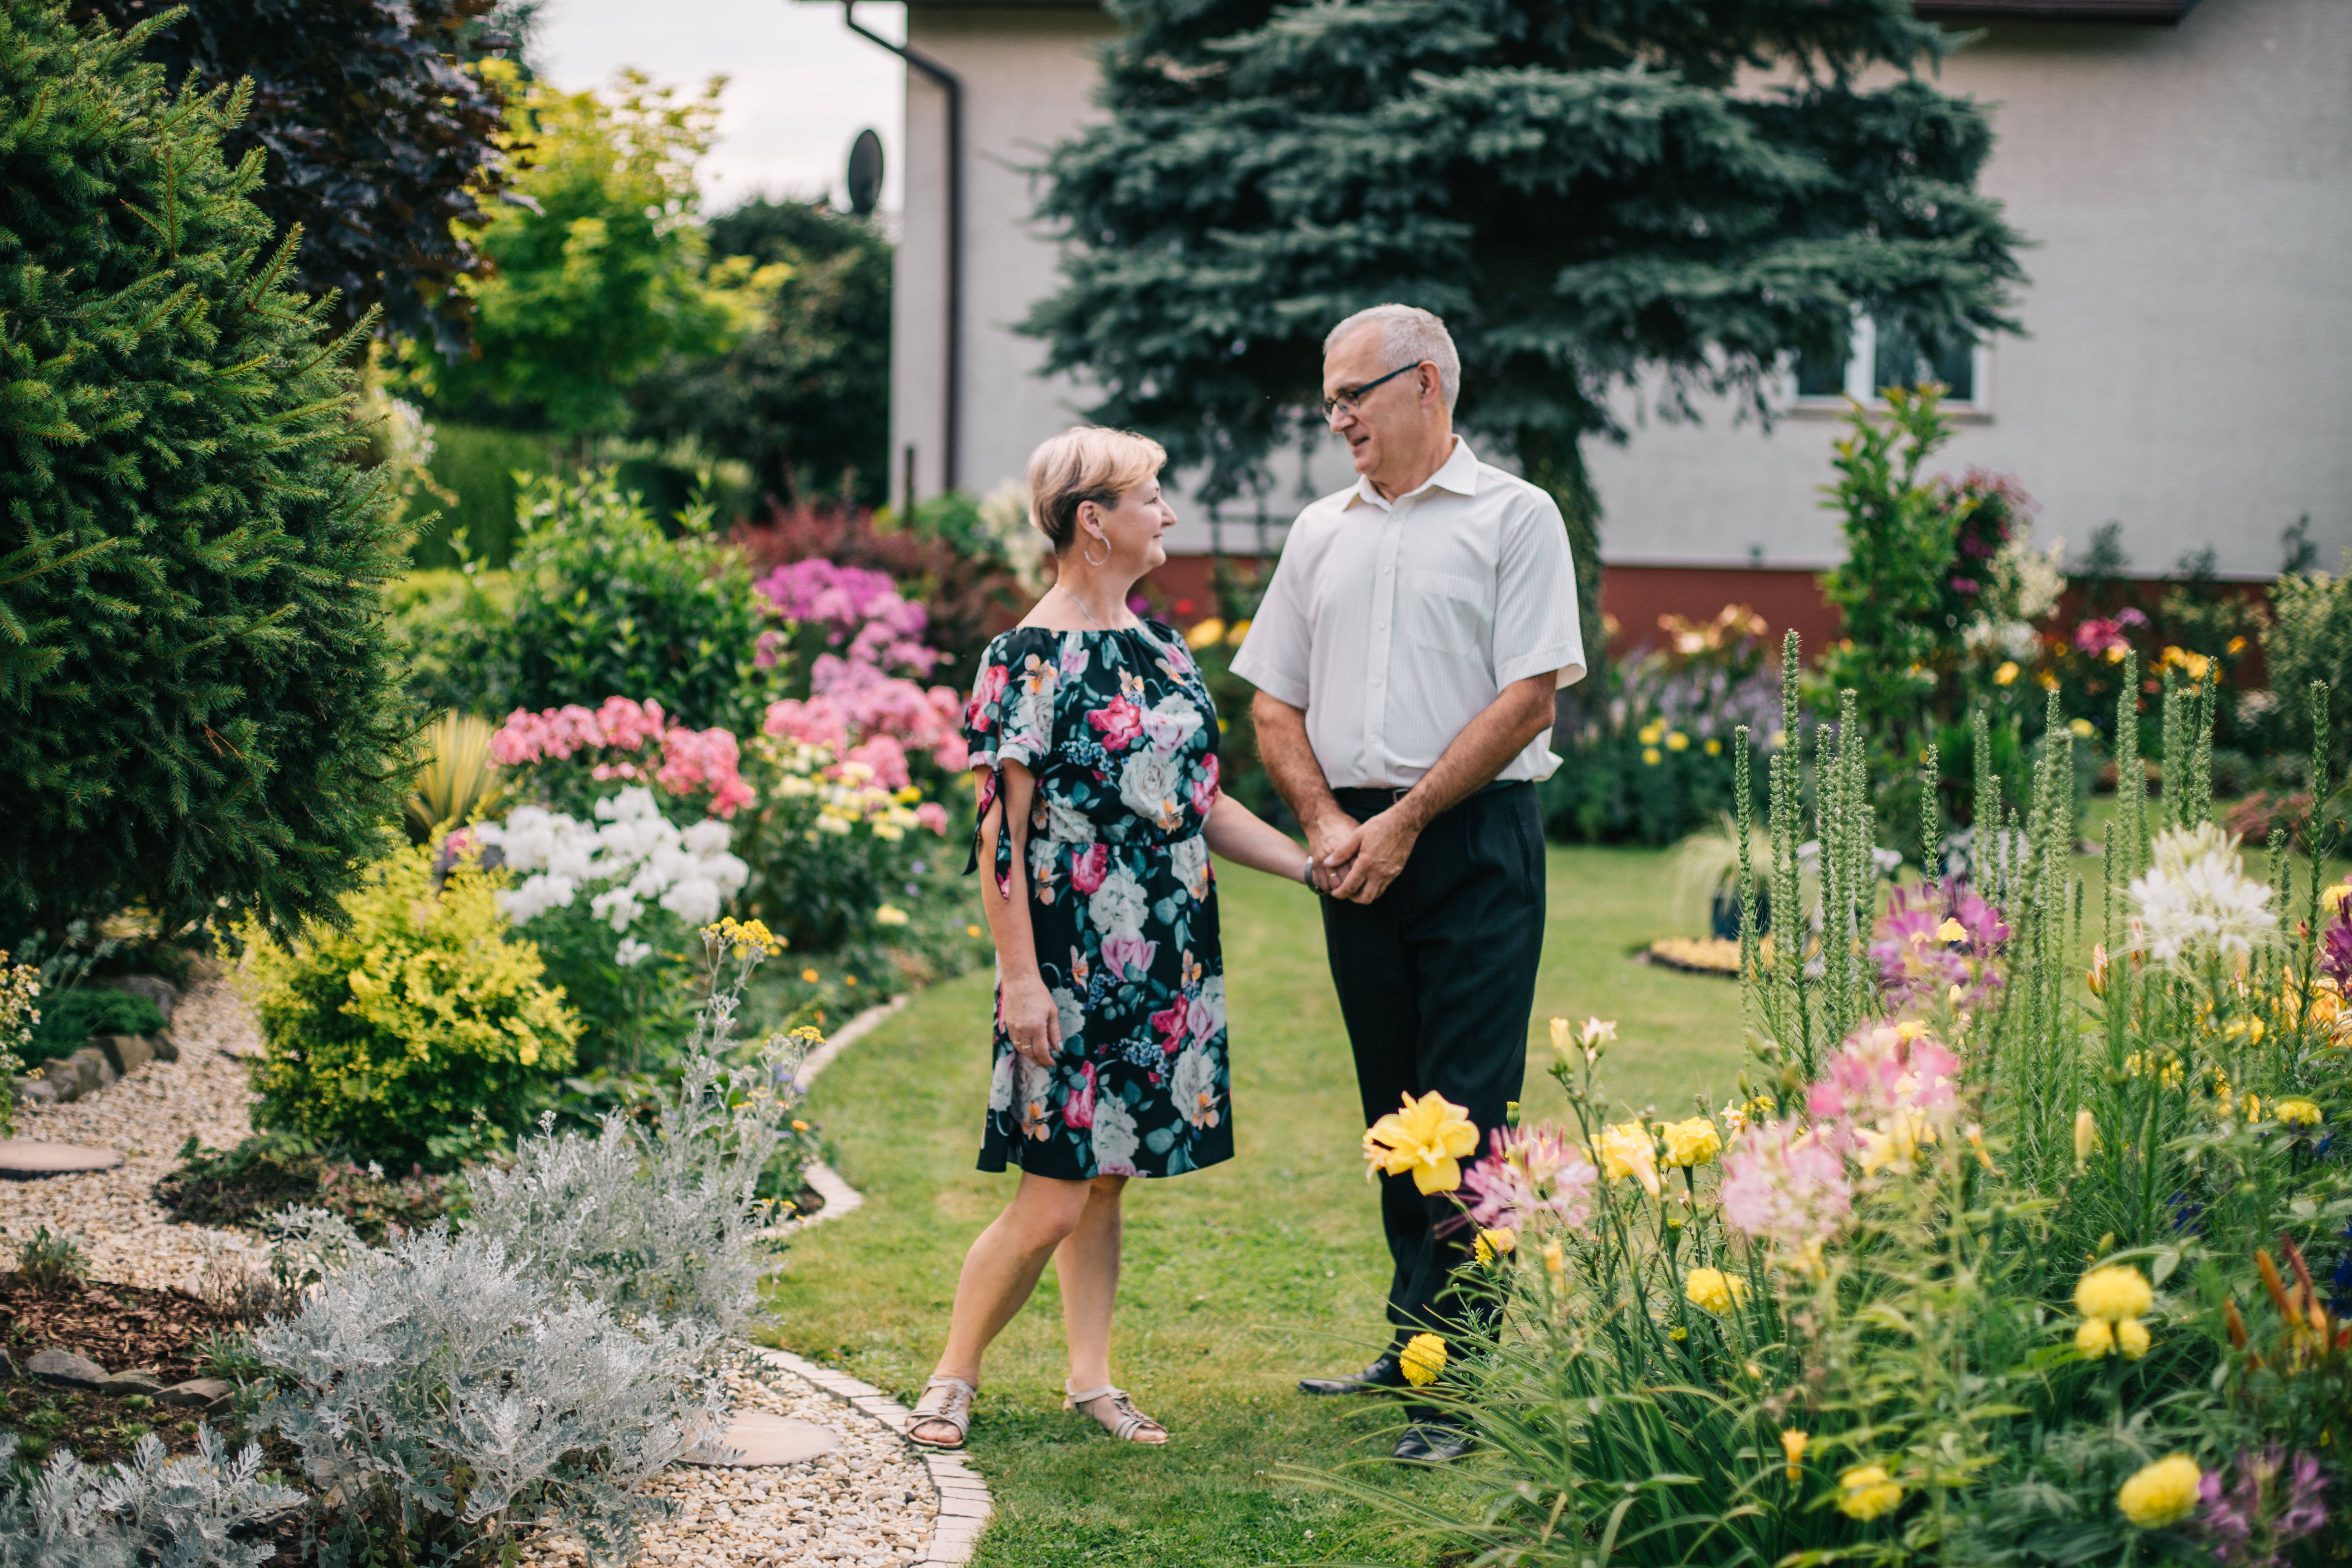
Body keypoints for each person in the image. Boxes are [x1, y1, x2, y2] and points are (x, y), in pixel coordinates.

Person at [905, 426, 1319, 1452]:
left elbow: (1200, 806)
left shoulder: (1162, 649)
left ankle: (1091, 1380)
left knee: (1106, 1176)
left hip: (1165, 958)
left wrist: (1314, 869)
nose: (1168, 512)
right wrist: (1021, 980)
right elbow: (1000, 833)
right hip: (1071, 960)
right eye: (1151, 495)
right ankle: (950, 1378)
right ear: (1094, 520)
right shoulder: (1025, 660)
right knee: (1050, 1196)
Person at [1231, 304, 1585, 1464]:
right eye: (1327, 399)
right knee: (1393, 1112)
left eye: (1352, 395)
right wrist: (1331, 820)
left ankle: (1457, 1380)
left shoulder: (1514, 517)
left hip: (1474, 841)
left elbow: (1529, 694)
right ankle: (1412, 1337)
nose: (1335, 418)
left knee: (1466, 1114)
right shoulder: (1319, 531)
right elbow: (1270, 699)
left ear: (1425, 384)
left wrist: (1407, 820)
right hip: (1354, 851)